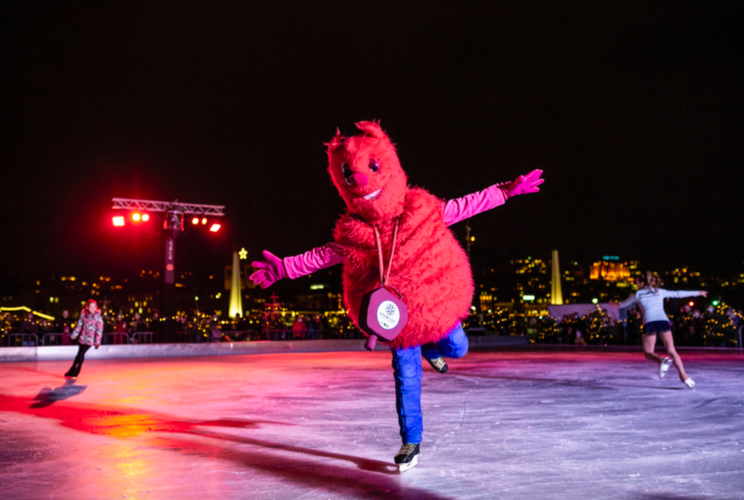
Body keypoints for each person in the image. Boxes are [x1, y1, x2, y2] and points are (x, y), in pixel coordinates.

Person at [250, 121, 543, 472]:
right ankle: (411, 442)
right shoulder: (355, 234)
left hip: (434, 306)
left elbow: (467, 205)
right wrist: (284, 268)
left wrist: (506, 191)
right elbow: (322, 255)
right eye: (349, 174)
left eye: (372, 167)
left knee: (458, 349)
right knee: (405, 379)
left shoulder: (423, 211)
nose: (361, 179)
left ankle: (433, 349)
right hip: (394, 318)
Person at [619, 271, 706, 388]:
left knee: (648, 353)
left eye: (636, 282)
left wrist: (611, 303)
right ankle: (684, 375)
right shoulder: (658, 291)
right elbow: (677, 294)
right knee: (671, 350)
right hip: (663, 321)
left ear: (639, 282)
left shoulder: (638, 294)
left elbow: (621, 305)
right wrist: (698, 293)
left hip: (650, 322)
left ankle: (661, 360)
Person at [65, 299, 103, 379]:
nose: (92, 308)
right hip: (83, 338)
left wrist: (97, 342)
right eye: (90, 307)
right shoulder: (83, 315)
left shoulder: (98, 317)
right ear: (87, 307)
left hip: (90, 340)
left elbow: (99, 330)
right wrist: (73, 336)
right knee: (78, 355)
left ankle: (76, 371)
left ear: (96, 307)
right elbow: (78, 327)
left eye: (94, 307)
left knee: (81, 354)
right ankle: (71, 370)